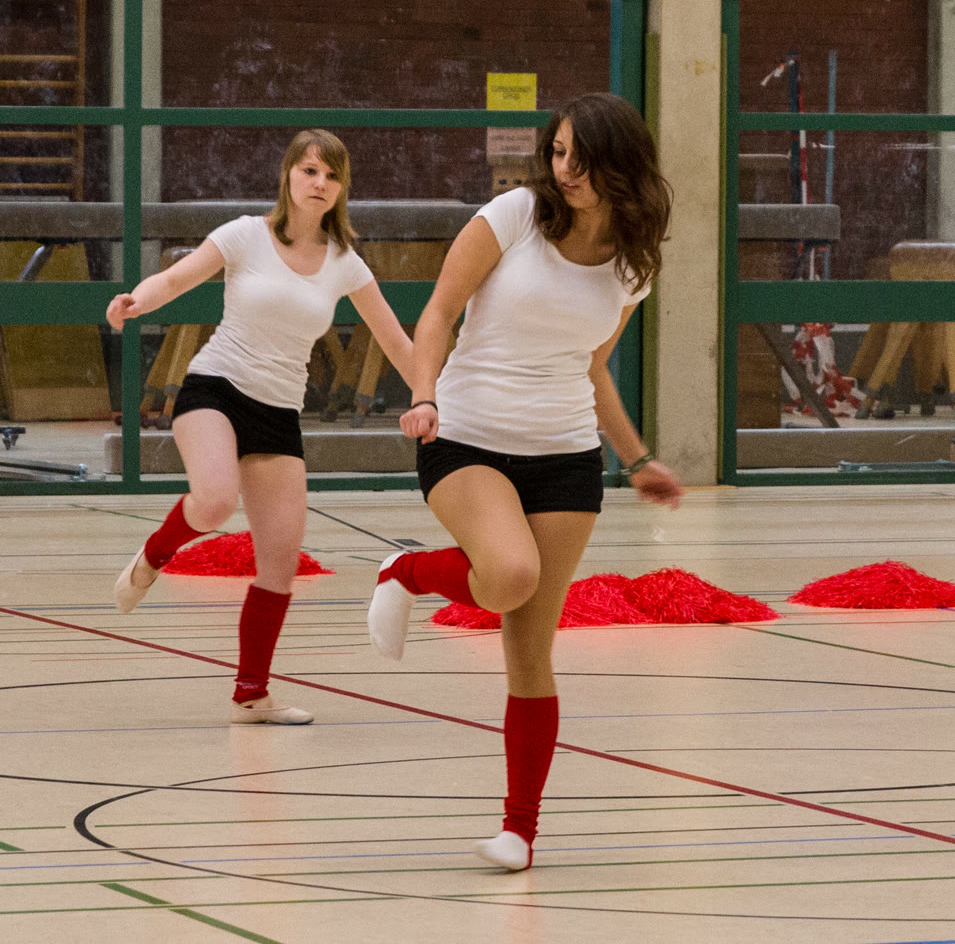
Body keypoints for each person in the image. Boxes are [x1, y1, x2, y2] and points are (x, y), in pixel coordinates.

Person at [366, 93, 685, 872]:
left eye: (581, 157)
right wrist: (423, 395)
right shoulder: (513, 216)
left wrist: (637, 458)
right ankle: (407, 571)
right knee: (509, 574)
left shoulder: (634, 263)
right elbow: (438, 314)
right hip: (463, 434)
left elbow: (593, 368)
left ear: (621, 165)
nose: (564, 169)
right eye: (559, 151)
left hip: (567, 455)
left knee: (531, 649)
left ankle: (520, 831)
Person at [109, 130, 414, 725]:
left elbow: (396, 341)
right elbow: (176, 279)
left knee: (280, 561)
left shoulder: (345, 263)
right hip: (215, 389)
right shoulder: (245, 234)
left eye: (331, 175)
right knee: (215, 500)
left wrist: (434, 396)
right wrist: (136, 301)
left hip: (278, 413)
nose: (319, 183)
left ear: (342, 188)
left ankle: (251, 694)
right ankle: (152, 556)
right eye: (309, 171)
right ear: (288, 176)